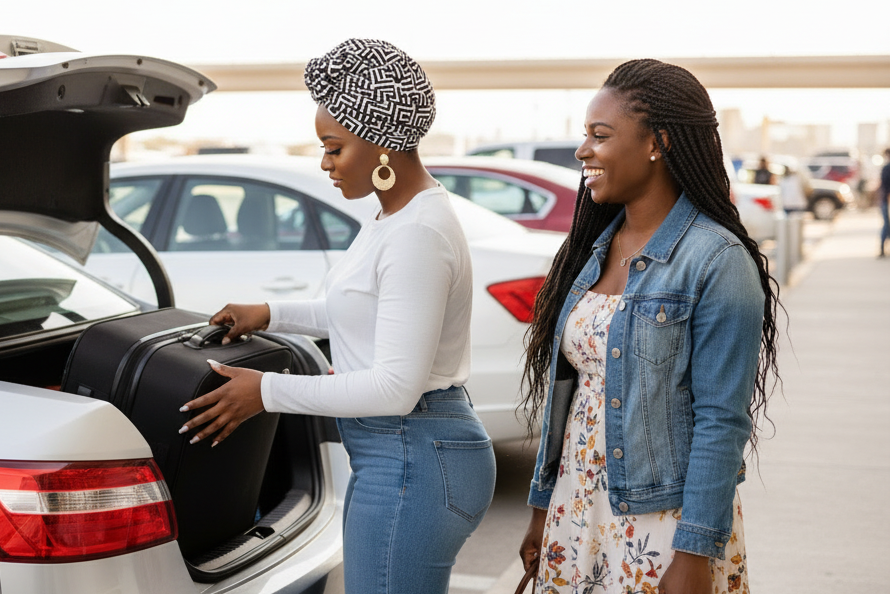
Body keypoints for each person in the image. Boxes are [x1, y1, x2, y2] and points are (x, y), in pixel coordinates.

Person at [176, 39, 496, 594]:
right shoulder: (393, 217)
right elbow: (360, 313)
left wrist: (266, 392)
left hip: (413, 455)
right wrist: (270, 312)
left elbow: (395, 388)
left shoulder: (416, 233)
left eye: (334, 147)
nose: (323, 163)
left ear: (383, 145)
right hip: (403, 453)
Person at [517, 59, 781, 594]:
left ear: (657, 142)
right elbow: (570, 397)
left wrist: (693, 553)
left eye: (600, 135)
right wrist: (543, 508)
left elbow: (720, 421)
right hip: (577, 505)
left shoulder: (717, 260)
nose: (582, 150)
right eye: (584, 135)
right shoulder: (591, 250)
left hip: (662, 522)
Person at [879, 148, 890, 258]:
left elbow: (884, 186)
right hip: (886, 201)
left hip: (886, 200)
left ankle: (882, 248)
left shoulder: (886, 168)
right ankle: (882, 248)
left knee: (886, 225)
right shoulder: (886, 168)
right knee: (887, 225)